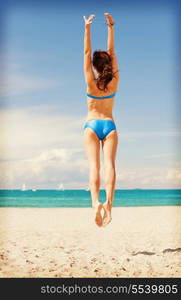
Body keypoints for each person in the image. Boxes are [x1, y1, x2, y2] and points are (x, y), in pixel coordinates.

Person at [83, 13, 119, 227]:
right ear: (108, 64)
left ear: (95, 67)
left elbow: (87, 52)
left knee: (93, 167)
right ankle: (109, 205)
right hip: (110, 125)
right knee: (110, 166)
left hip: (91, 126)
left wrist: (87, 28)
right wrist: (111, 27)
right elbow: (112, 52)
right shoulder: (114, 81)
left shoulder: (90, 82)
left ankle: (95, 202)